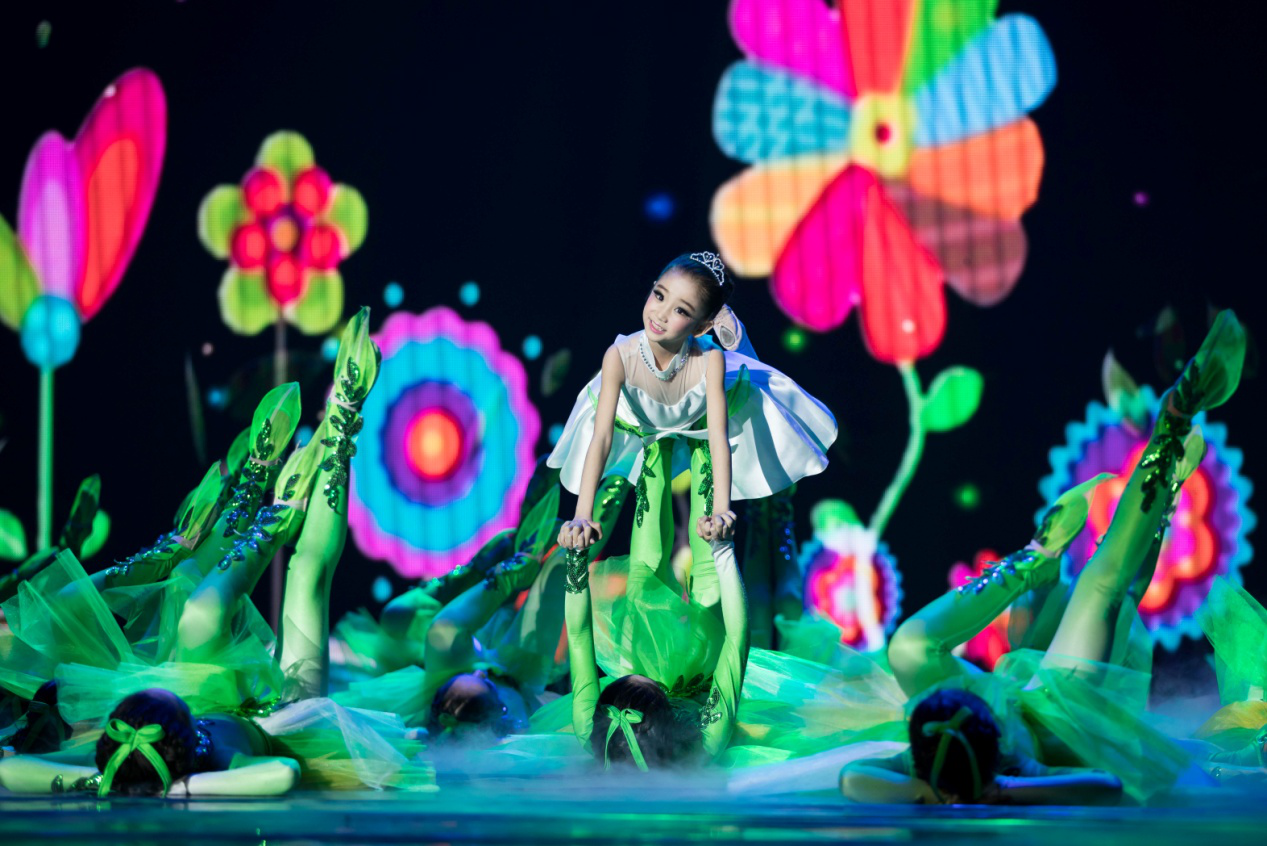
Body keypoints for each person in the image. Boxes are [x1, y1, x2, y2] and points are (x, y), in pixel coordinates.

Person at [841, 310, 1245, 804]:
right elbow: (1106, 786)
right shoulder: (1027, 763)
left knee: (907, 648)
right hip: (1059, 717)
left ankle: (1035, 558)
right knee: (1105, 588)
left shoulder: (931, 755)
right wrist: (1005, 787)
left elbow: (853, 778)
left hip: (998, 717)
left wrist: (927, 789)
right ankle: (1171, 434)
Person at [547, 251, 838, 768]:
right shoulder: (703, 739)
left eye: (676, 306)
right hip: (707, 647)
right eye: (659, 296)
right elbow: (738, 637)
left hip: (642, 624)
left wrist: (577, 543)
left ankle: (664, 448)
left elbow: (582, 635)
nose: (659, 312)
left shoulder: (593, 724)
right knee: (711, 582)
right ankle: (772, 514)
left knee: (647, 557)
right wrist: (721, 541)